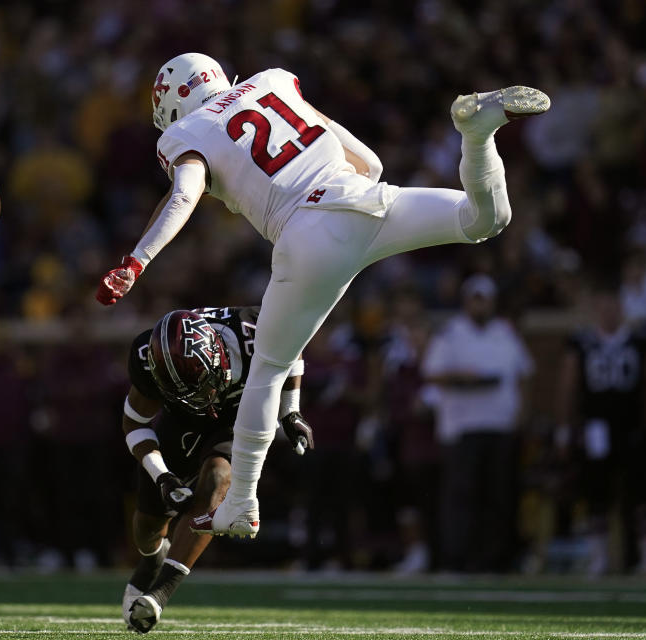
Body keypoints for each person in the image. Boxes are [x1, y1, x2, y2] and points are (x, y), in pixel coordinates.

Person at [96, 52, 551, 537]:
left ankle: (241, 503)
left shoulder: (185, 134)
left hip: (307, 233)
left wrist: (136, 261)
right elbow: (370, 163)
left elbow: (183, 195)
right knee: (483, 220)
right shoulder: (271, 82)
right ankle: (477, 135)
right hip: (367, 203)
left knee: (267, 367)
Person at [119, 305, 314, 633]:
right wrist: (163, 477)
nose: (203, 397)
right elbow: (134, 423)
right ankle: (153, 557)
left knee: (217, 480)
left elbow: (293, 348)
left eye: (203, 385)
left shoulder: (252, 331)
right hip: (178, 421)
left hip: (237, 411)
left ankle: (160, 593)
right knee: (149, 524)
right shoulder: (146, 355)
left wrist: (290, 412)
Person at [421, 274, 533, 572]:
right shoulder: (450, 333)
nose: (479, 305)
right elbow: (432, 374)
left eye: (484, 299)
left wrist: (522, 412)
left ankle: (494, 561)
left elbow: (524, 375)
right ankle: (458, 559)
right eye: (475, 299)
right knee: (462, 496)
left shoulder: (505, 332)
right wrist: (463, 376)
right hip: (462, 427)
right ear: (466, 301)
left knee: (497, 497)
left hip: (500, 425)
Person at [555, 284, 646, 576]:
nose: (609, 312)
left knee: (642, 493)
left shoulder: (639, 341)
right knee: (596, 492)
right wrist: (564, 429)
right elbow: (569, 386)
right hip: (596, 428)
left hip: (632, 425)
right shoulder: (582, 343)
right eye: (603, 306)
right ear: (594, 310)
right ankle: (598, 558)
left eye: (613, 306)